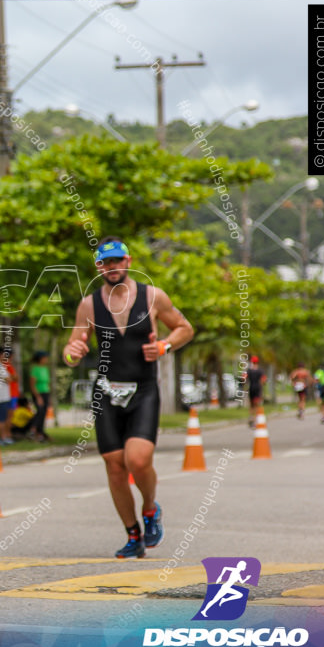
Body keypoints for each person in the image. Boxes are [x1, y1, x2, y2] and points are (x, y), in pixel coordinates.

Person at [63, 237, 193, 559]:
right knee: (114, 466)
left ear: (128, 261)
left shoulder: (152, 296)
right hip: (106, 392)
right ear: (99, 267)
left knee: (137, 460)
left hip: (143, 390)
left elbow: (184, 328)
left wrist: (164, 346)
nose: (112, 268)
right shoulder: (89, 304)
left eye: (118, 261)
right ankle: (132, 534)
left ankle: (150, 509)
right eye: (106, 263)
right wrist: (72, 353)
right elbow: (71, 349)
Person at [28, 351, 52, 442]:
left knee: (44, 413)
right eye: (45, 357)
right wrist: (38, 397)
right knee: (40, 411)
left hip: (45, 393)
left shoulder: (45, 369)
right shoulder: (35, 369)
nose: (46, 359)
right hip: (38, 393)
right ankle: (33, 430)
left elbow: (47, 383)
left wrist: (49, 397)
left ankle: (40, 432)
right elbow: (32, 384)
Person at [243, 356, 266, 427]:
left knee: (251, 404)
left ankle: (251, 417)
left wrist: (245, 385)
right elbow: (263, 380)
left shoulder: (249, 370)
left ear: (252, 362)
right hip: (257, 389)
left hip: (251, 388)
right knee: (256, 405)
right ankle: (254, 420)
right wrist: (262, 387)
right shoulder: (260, 371)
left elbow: (244, 377)